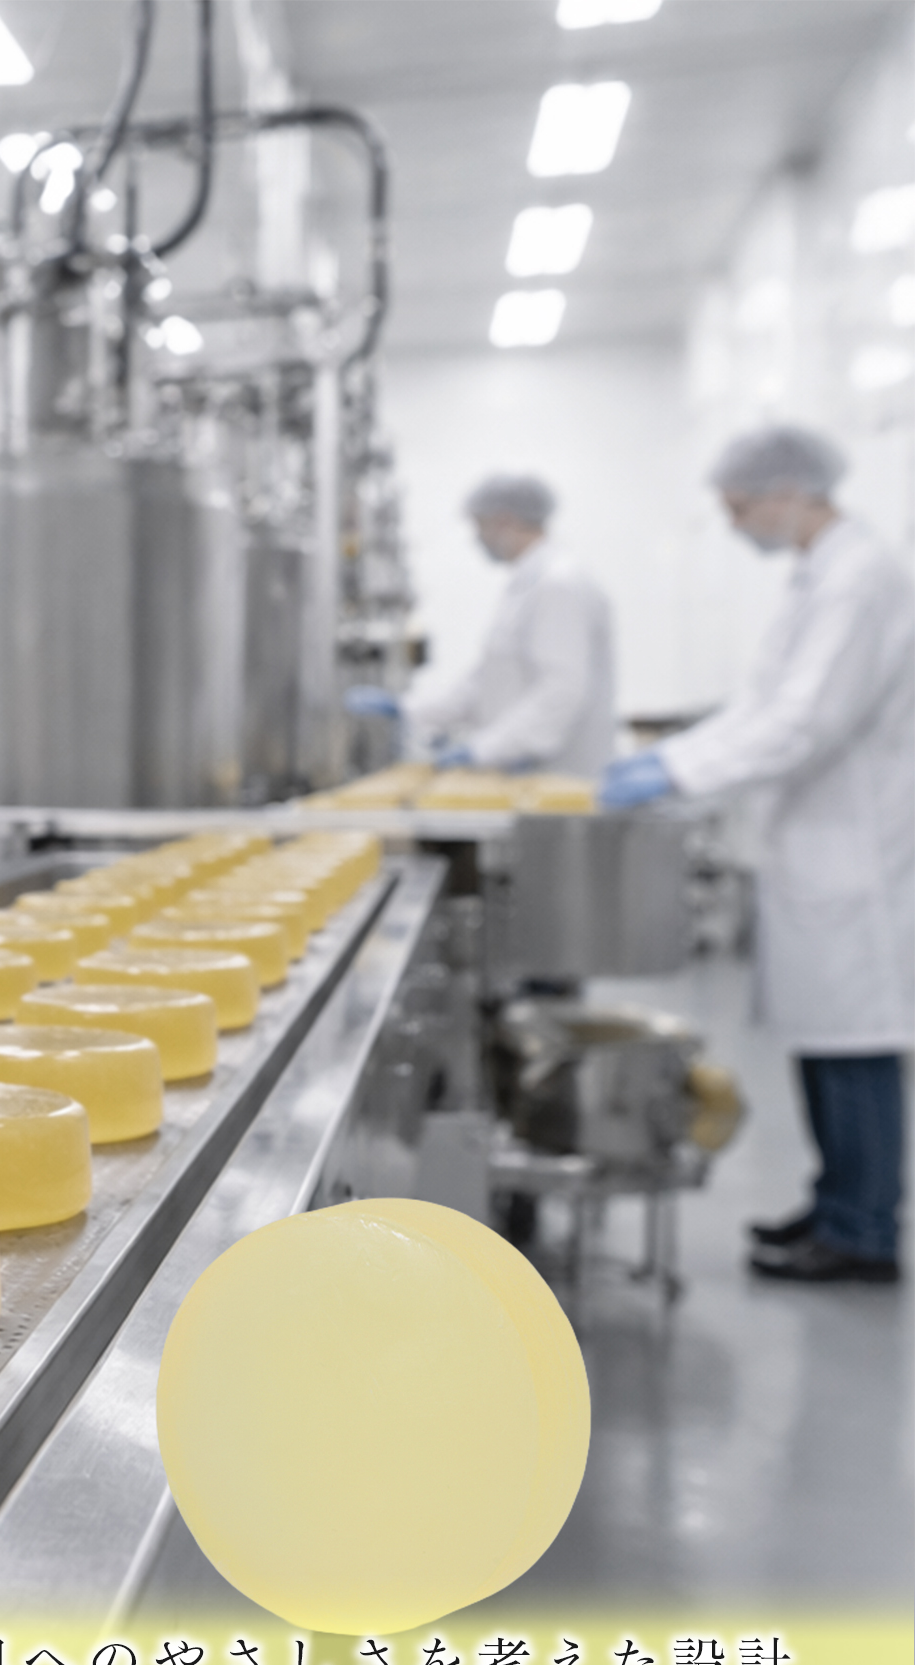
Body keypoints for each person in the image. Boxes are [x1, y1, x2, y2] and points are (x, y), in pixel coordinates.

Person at [603, 424, 913, 1282]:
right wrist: (672, 763)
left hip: (854, 851)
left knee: (853, 1047)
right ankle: (838, 1201)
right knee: (823, 1042)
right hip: (813, 844)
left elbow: (805, 723)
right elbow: (760, 708)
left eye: (740, 507)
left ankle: (863, 1230)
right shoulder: (820, 575)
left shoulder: (858, 579)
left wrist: (675, 772)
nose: (736, 522)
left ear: (789, 492)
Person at [346, 474, 615, 773]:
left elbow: (561, 690)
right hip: (527, 774)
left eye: (479, 526)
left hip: (560, 775)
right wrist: (407, 708)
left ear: (504, 522)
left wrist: (482, 750)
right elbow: (486, 681)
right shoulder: (526, 585)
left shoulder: (559, 583)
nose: (477, 538)